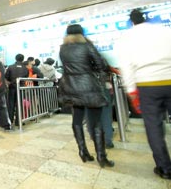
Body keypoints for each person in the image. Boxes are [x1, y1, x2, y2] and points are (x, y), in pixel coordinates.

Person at [117, 9, 171, 179]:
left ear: (131, 22)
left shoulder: (126, 37)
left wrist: (131, 91)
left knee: (153, 126)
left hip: (147, 85)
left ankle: (165, 168)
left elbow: (126, 67)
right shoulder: (164, 30)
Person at [58, 24, 114, 168]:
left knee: (77, 120)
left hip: (71, 88)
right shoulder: (87, 46)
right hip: (89, 87)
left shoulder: (62, 49)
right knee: (96, 122)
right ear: (82, 33)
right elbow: (101, 65)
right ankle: (101, 156)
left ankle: (83, 152)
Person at [5, 54, 25, 126]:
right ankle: (18, 121)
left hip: (12, 88)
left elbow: (6, 77)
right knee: (20, 105)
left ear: (15, 58)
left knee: (11, 105)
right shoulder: (25, 68)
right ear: (23, 59)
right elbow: (26, 76)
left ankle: (10, 121)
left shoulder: (10, 67)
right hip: (21, 88)